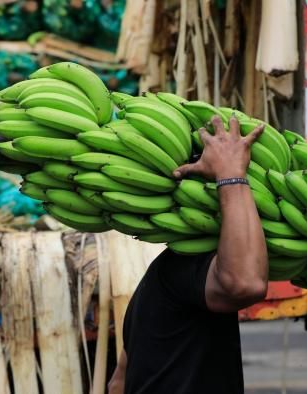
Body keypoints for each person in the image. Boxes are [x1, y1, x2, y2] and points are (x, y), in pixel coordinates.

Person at [108, 115, 268, 394]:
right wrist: (231, 175)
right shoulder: (177, 272)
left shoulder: (152, 286)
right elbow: (245, 283)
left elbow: (117, 384)